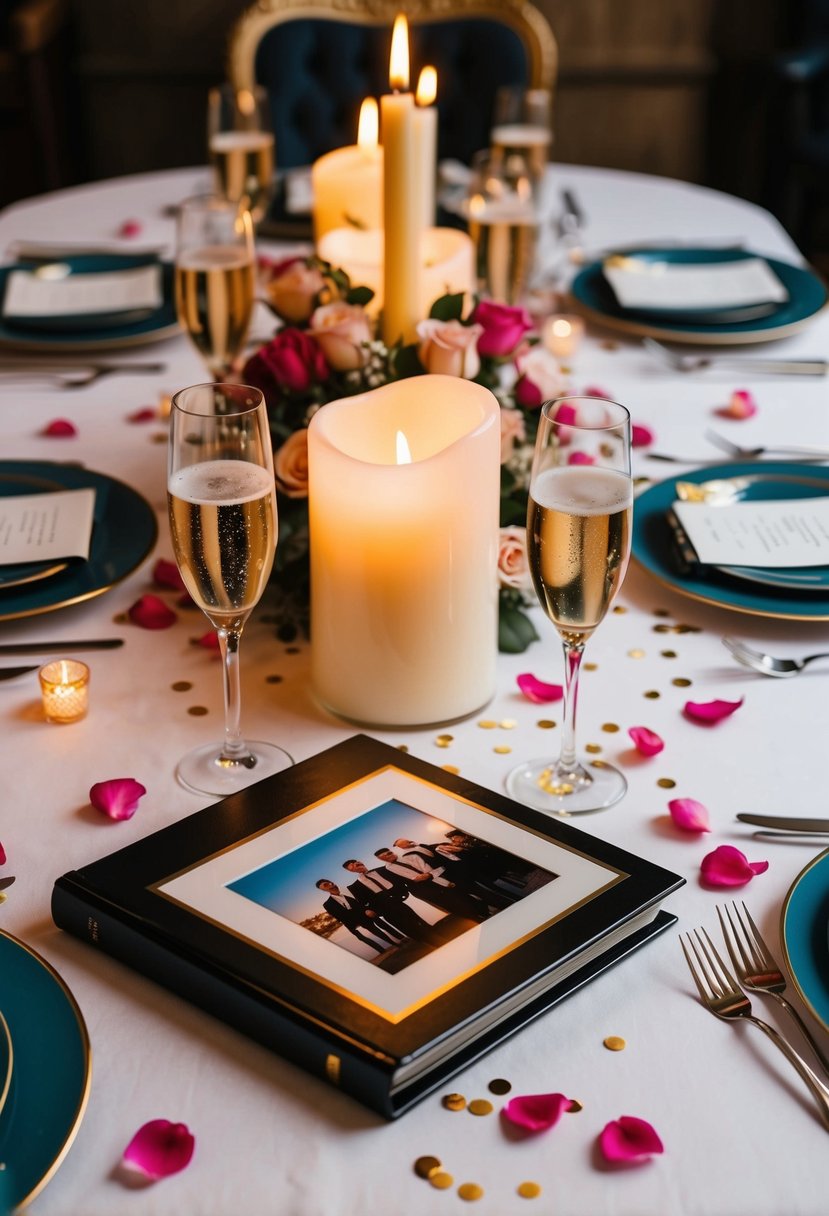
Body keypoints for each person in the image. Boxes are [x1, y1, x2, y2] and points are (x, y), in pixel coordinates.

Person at [374, 848, 488, 922]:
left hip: (438, 879)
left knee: (461, 897)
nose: (388, 858)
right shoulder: (388, 868)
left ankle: (483, 913)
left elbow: (426, 866)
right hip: (424, 889)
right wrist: (415, 881)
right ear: (381, 860)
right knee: (450, 905)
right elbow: (403, 878)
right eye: (383, 858)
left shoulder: (409, 856)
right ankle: (475, 919)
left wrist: (428, 875)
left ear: (391, 851)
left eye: (388, 854)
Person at [342, 859, 438, 943]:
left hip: (398, 902)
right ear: (350, 870)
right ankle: (427, 943)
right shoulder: (354, 887)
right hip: (385, 911)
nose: (355, 863)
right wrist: (378, 911)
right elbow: (363, 903)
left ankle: (439, 937)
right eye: (351, 865)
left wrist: (402, 895)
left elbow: (398, 881)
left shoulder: (382, 869)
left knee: (418, 920)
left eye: (355, 861)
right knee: (408, 930)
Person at [315, 879, 404, 953]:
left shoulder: (348, 891)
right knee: (376, 932)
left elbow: (362, 901)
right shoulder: (327, 904)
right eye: (325, 886)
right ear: (323, 890)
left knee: (384, 925)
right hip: (355, 921)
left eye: (329, 883)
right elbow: (340, 917)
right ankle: (392, 946)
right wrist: (355, 924)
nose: (330, 885)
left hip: (367, 913)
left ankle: (401, 938)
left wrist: (367, 909)